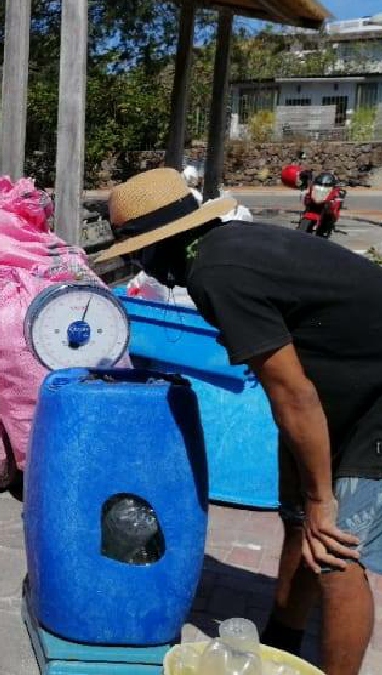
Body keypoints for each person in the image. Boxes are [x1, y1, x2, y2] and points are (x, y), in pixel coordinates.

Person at [96, 168, 382, 675]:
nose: (140, 263)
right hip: (342, 378)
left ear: (161, 244)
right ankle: (284, 638)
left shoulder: (216, 273)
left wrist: (321, 497)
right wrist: (307, 497)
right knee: (298, 519)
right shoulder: (225, 246)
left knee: (336, 547)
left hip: (372, 396)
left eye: (139, 251)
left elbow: (291, 394)